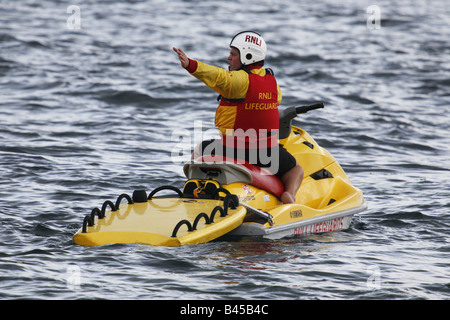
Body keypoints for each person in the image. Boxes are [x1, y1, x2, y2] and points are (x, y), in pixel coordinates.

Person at [173, 31, 303, 204]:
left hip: (232, 149)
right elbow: (275, 101)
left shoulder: (239, 81)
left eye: (233, 54)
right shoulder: (272, 82)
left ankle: (194, 186)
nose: (228, 58)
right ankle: (289, 194)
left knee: (199, 149)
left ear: (248, 56)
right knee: (295, 169)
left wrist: (191, 65)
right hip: (267, 154)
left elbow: (217, 76)